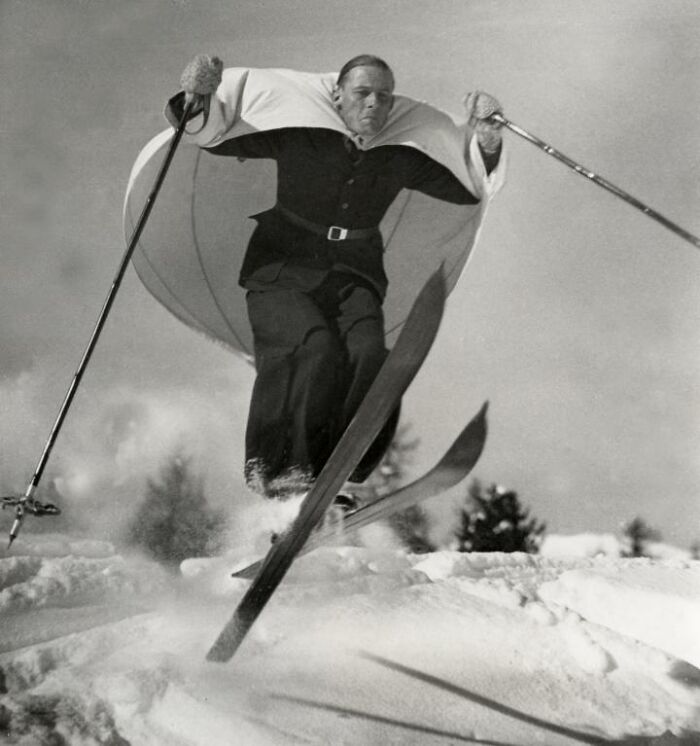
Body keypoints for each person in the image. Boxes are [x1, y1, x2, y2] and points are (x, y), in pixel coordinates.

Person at [166, 54, 504, 501]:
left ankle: (335, 471)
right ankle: (281, 468)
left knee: (371, 355)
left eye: (384, 96)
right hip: (281, 270)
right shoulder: (301, 134)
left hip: (353, 275)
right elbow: (214, 137)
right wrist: (197, 97)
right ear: (337, 95)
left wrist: (487, 137)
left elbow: (467, 187)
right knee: (314, 348)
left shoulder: (401, 155)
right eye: (363, 93)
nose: (373, 104)